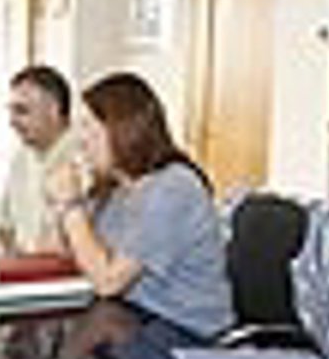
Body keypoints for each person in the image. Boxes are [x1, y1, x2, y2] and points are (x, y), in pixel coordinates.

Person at [45, 72, 230, 342]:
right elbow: (61, 253)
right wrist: (61, 204)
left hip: (187, 335)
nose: (81, 141)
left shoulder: (172, 187)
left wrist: (72, 207)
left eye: (89, 126)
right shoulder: (115, 187)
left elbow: (108, 282)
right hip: (132, 320)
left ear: (123, 129)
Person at [0, 64, 78, 253]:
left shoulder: (84, 157)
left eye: (22, 111)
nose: (12, 122)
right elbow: (5, 227)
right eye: (10, 111)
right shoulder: (21, 157)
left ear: (53, 110)